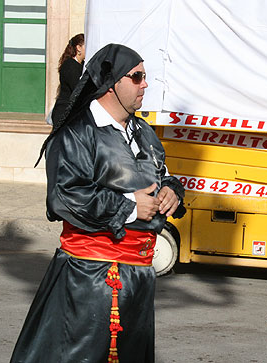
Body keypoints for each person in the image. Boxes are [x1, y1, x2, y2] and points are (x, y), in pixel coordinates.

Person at [11, 44, 186, 363]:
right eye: (137, 77)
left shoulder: (144, 132)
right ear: (111, 82)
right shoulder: (77, 135)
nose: (145, 84)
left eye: (145, 77)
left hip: (139, 276)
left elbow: (163, 174)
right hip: (92, 277)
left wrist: (171, 191)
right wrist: (130, 207)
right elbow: (64, 197)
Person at [49, 33, 85, 127]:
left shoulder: (82, 65)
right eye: (87, 46)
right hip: (64, 113)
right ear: (79, 48)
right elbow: (77, 89)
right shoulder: (70, 66)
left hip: (73, 113)